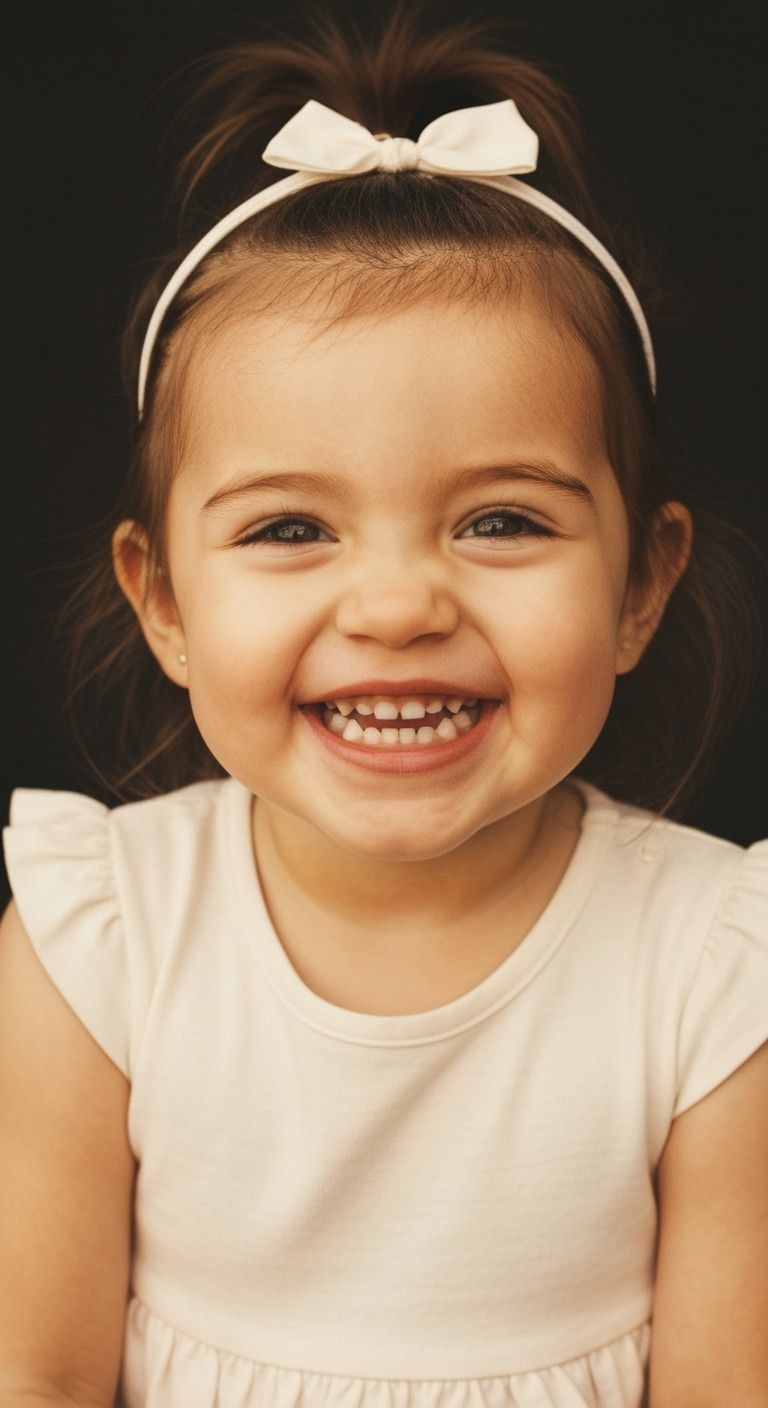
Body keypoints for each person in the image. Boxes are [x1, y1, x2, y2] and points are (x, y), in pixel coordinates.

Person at [1, 7, 767, 1407]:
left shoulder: (717, 972)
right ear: (163, 602)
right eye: (291, 529)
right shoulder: (98, 941)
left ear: (641, 587)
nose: (400, 605)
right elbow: (34, 1374)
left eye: (501, 521)